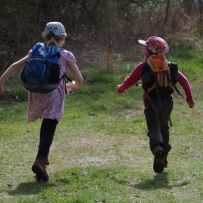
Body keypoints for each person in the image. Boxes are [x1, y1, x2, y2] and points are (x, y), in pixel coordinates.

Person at [0, 22, 84, 181]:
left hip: (36, 92)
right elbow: (79, 79)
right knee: (49, 126)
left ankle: (41, 160)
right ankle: (40, 160)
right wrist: (73, 86)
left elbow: (14, 66)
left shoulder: (35, 51)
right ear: (63, 38)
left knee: (46, 124)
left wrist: (1, 81)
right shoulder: (65, 55)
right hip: (54, 95)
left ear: (45, 37)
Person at [117, 36, 195, 173]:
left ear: (149, 52)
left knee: (154, 127)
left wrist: (121, 88)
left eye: (145, 49)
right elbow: (184, 82)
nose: (143, 51)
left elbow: (130, 80)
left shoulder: (143, 66)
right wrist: (189, 99)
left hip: (151, 101)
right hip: (168, 102)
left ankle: (157, 148)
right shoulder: (170, 66)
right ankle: (163, 153)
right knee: (164, 127)